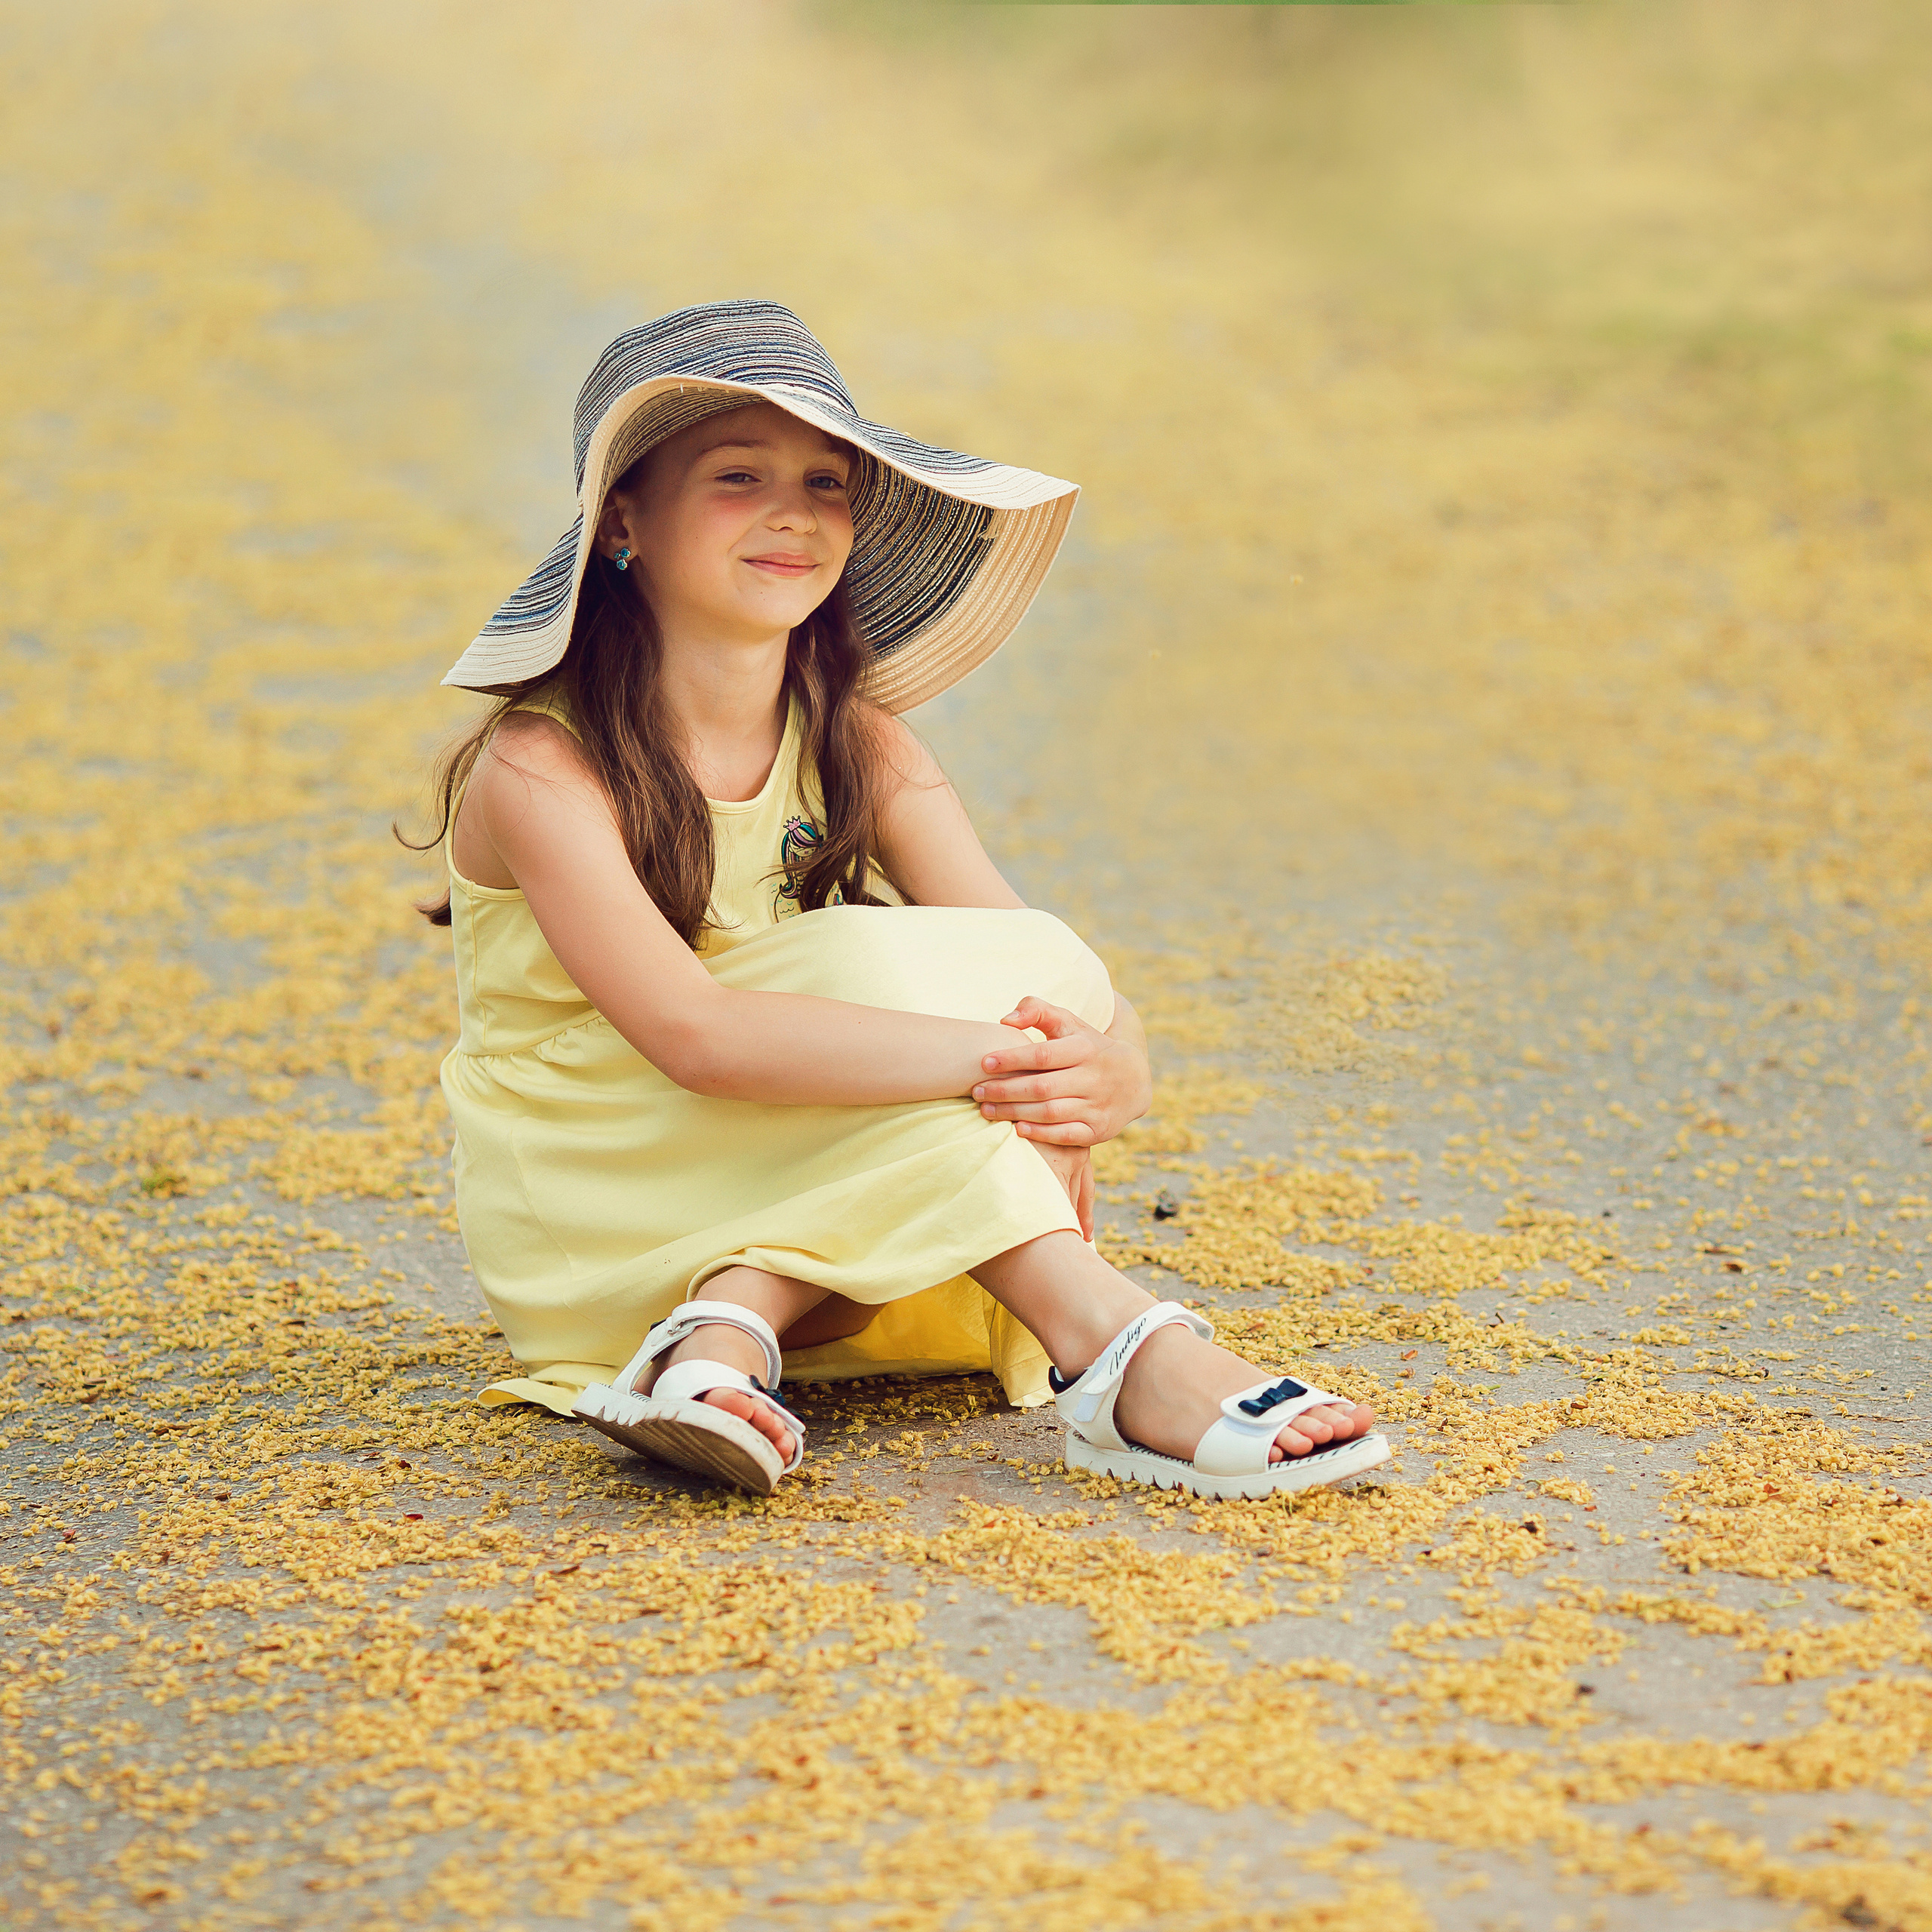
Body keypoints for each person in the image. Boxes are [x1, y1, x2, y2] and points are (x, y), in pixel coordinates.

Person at [415, 300, 1386, 1499]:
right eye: (737, 476)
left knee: (1016, 977)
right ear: (626, 521)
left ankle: (719, 1337)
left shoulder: (858, 742)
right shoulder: (540, 768)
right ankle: (1131, 1359)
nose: (795, 512)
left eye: (827, 483)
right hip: (603, 1193)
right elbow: (700, 1039)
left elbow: (1034, 961)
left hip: (788, 1176)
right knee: (888, 988)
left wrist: (1113, 1066)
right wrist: (1011, 1070)